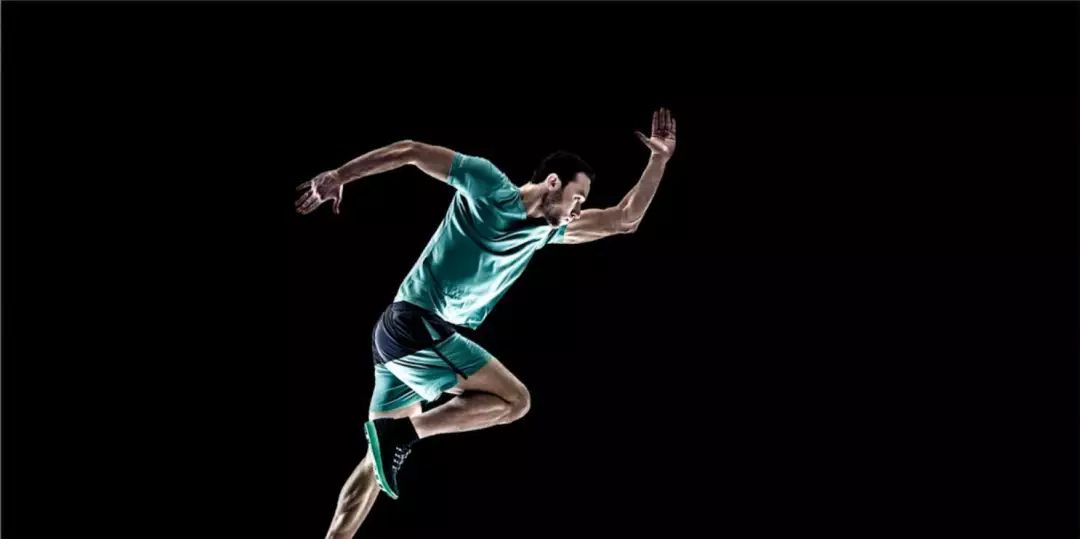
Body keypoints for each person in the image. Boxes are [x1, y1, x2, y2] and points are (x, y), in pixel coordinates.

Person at [295, 108, 677, 538]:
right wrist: (340, 175)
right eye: (578, 197)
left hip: (401, 338)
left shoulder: (545, 232)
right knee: (514, 401)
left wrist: (658, 159)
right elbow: (411, 151)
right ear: (553, 182)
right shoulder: (488, 185)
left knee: (373, 462)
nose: (578, 208)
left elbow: (625, 219)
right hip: (414, 324)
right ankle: (403, 432)